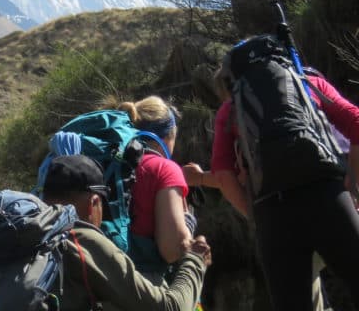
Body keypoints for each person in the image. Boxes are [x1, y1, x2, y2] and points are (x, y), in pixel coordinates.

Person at [184, 60, 359, 311]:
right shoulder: (310, 85)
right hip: (334, 204)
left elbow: (227, 177)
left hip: (277, 219)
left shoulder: (231, 110)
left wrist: (254, 216)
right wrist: (351, 187)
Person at [41, 154, 210, 311]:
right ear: (94, 203)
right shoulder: (84, 241)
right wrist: (195, 260)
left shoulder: (34, 230)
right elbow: (171, 307)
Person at [117, 96, 195, 280]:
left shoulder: (115, 162)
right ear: (169, 136)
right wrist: (188, 221)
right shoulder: (165, 169)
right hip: (142, 284)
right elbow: (173, 250)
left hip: (101, 279)